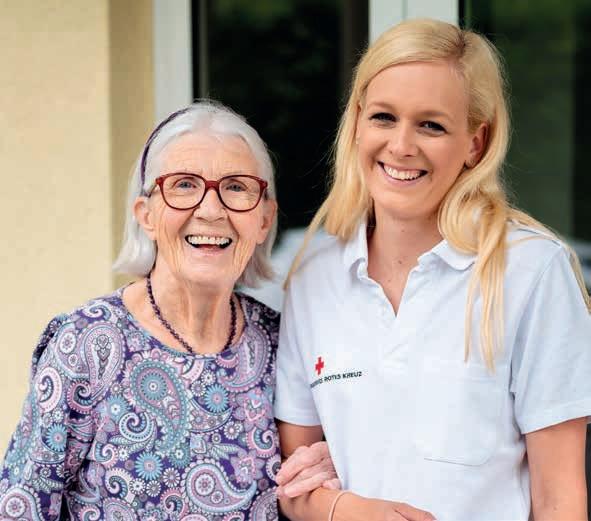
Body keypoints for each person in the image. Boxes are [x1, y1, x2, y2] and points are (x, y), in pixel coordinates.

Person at [274, 18, 591, 521]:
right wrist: (351, 511)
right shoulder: (313, 277)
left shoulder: (532, 271)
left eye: (431, 125)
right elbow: (296, 484)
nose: (401, 145)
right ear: (357, 123)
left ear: (475, 143)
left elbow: (559, 500)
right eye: (383, 117)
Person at [0, 101, 336, 520]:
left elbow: (312, 485)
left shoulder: (282, 343)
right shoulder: (87, 343)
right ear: (147, 215)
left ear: (264, 219)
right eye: (184, 185)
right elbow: (22, 507)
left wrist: (331, 464)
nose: (211, 210)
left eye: (236, 187)